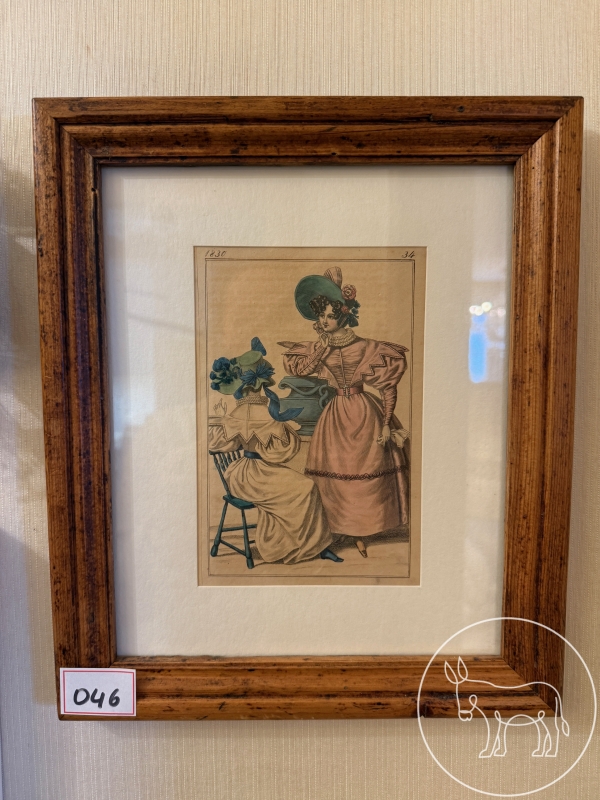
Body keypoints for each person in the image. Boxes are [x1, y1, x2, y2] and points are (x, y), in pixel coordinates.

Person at [281, 269, 409, 558]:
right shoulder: (318, 347)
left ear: (344, 315)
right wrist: (321, 349)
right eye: (321, 316)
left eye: (330, 315)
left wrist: (386, 424)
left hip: (364, 414)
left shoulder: (368, 348)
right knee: (334, 473)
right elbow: (301, 370)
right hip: (335, 416)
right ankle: (336, 529)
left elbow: (388, 388)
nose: (324, 321)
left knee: (364, 470)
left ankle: (361, 530)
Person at [208, 338, 342, 565]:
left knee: (306, 486)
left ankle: (312, 545)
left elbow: (270, 453)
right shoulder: (258, 413)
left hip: (256, 472)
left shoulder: (250, 412)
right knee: (303, 488)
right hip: (249, 477)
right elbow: (282, 453)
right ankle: (301, 545)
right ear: (258, 384)